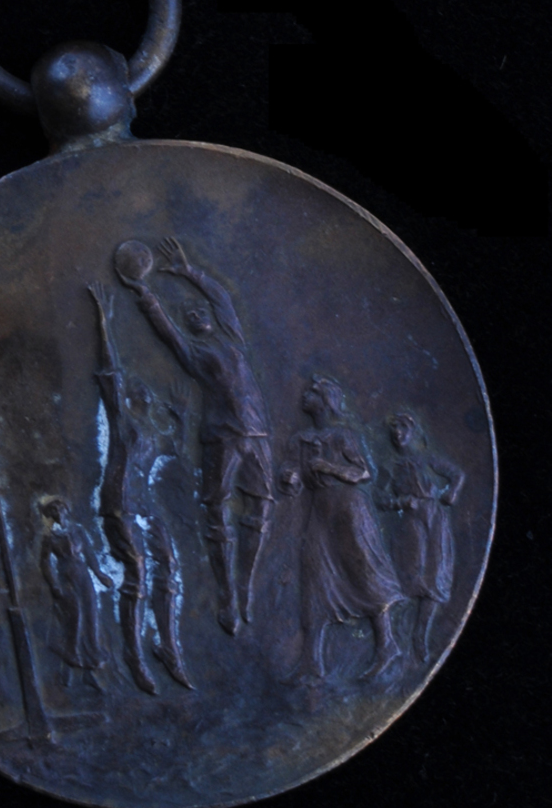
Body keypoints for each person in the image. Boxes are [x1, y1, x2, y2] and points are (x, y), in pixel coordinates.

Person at [116, 237, 273, 635]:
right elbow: (167, 333)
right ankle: (227, 596)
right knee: (218, 512)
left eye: (198, 309)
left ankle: (246, 588)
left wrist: (189, 272)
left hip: (257, 433)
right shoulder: (195, 356)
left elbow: (222, 298)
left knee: (260, 509)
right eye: (188, 314)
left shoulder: (232, 337)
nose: (196, 313)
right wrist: (145, 294)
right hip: (221, 437)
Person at [89, 281, 193, 693]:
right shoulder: (122, 422)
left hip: (145, 506)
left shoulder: (151, 431)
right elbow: (110, 374)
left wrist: (182, 418)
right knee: (139, 574)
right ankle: (134, 655)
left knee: (170, 568)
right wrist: (104, 321)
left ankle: (169, 647)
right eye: (137, 389)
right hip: (120, 504)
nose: (143, 391)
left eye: (144, 389)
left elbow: (176, 449)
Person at [280, 377, 404, 682]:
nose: (304, 396)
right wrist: (291, 478)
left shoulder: (343, 436)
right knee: (315, 576)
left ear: (325, 401)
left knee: (365, 572)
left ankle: (387, 646)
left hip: (349, 509)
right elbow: (294, 475)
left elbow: (363, 472)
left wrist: (329, 467)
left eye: (312, 392)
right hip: (321, 510)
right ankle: (312, 662)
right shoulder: (300, 440)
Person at [377, 412, 465, 662]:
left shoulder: (427, 459)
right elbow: (379, 497)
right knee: (407, 577)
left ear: (413, 432)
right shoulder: (390, 465)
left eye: (403, 428)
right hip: (410, 524)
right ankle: (395, 634)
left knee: (435, 577)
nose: (398, 434)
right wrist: (400, 502)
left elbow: (457, 475)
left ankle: (420, 634)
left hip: (435, 521)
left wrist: (452, 494)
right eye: (394, 429)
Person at [39, 497, 112, 689]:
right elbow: (45, 563)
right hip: (66, 578)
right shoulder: (50, 538)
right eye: (54, 511)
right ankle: (67, 670)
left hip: (83, 576)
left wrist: (99, 573)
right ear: (51, 515)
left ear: (66, 511)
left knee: (91, 617)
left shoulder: (77, 531)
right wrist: (54, 584)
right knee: (74, 620)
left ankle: (90, 672)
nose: (58, 513)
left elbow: (89, 553)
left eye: (60, 509)